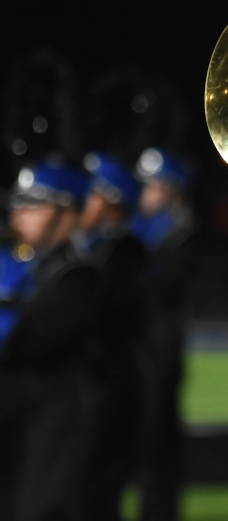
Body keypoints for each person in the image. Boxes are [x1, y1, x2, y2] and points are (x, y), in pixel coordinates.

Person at [0, 160, 99, 520]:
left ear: (66, 213)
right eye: (18, 203)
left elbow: (28, 340)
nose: (19, 213)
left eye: (33, 204)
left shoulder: (77, 275)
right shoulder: (14, 262)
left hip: (49, 418)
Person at [75, 151, 149, 521]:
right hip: (84, 389)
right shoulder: (81, 250)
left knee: (99, 492)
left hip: (108, 387)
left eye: (92, 194)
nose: (82, 203)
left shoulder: (125, 254)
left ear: (112, 203)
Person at [129, 147, 201, 521]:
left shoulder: (176, 232)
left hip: (158, 343)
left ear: (171, 190)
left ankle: (158, 510)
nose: (146, 195)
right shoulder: (146, 227)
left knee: (157, 433)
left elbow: (160, 288)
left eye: (154, 187)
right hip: (146, 340)